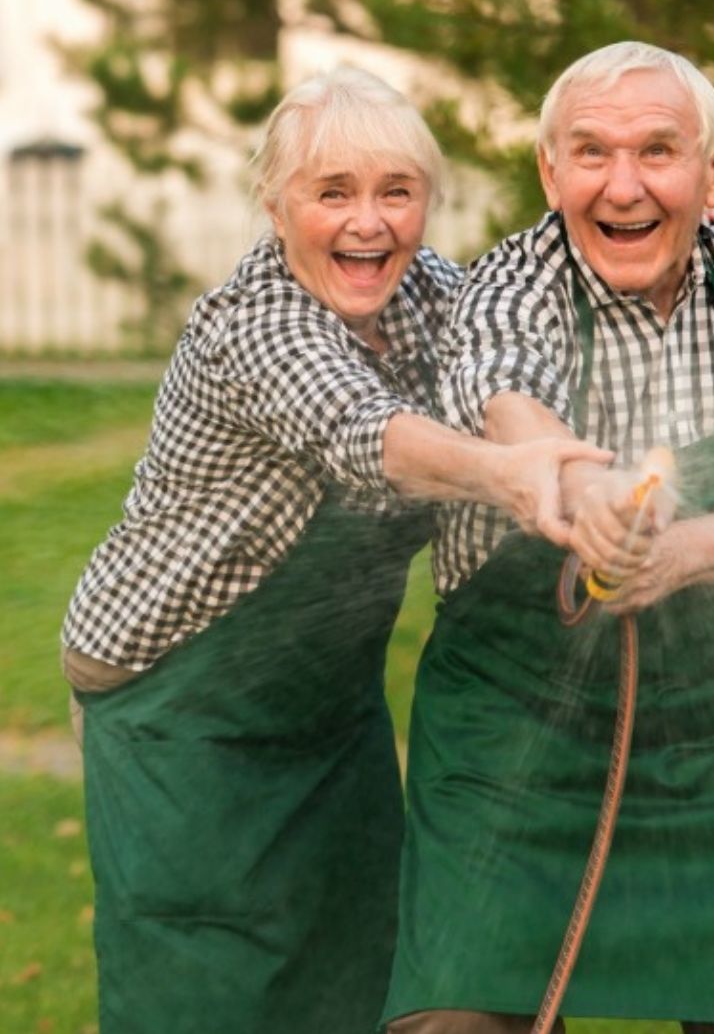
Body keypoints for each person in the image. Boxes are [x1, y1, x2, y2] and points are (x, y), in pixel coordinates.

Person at [61, 68, 618, 1034]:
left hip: (328, 702)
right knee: (208, 980)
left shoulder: (440, 299)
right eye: (334, 193)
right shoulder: (254, 324)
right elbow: (368, 433)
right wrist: (506, 471)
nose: (370, 223)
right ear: (278, 207)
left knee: (362, 965)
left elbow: (508, 356)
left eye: (396, 192)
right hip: (174, 706)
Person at [383, 42, 714, 1034]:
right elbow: (508, 397)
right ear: (549, 171)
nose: (622, 187)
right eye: (590, 153)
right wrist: (586, 489)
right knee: (457, 1022)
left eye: (657, 151)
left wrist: (689, 549)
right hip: (512, 737)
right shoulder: (508, 283)